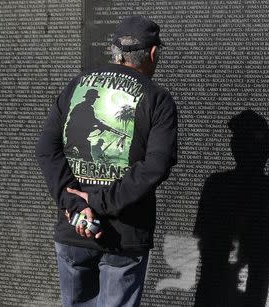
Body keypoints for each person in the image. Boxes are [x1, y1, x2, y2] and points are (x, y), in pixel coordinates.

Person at [35, 16, 177, 307]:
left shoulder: (75, 86)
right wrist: (98, 204)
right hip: (124, 236)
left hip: (73, 227)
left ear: (115, 51)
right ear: (152, 54)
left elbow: (46, 149)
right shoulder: (158, 99)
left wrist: (75, 203)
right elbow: (156, 166)